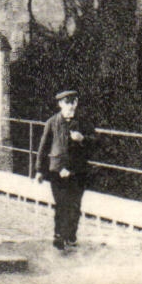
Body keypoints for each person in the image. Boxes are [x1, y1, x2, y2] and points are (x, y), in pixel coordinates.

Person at [35, 89, 95, 250]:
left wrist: (83, 139)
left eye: (74, 102)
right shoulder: (52, 122)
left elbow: (96, 143)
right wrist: (39, 170)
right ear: (60, 104)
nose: (71, 106)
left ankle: (71, 235)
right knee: (61, 203)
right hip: (57, 170)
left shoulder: (84, 123)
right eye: (67, 103)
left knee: (75, 204)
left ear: (77, 103)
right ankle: (59, 235)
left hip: (78, 170)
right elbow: (43, 147)